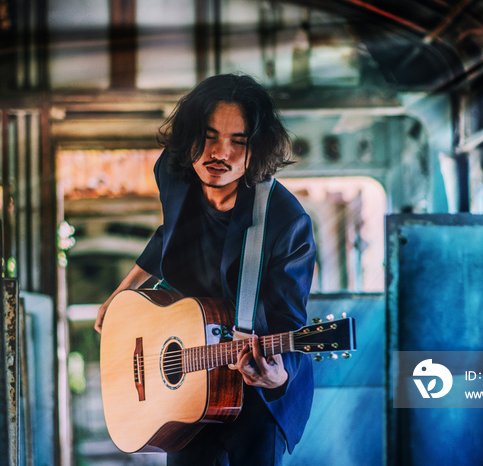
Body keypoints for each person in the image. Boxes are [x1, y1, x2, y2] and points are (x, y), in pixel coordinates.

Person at [94, 73, 317, 465]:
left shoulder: (286, 221)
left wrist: (278, 377)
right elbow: (170, 232)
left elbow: (288, 321)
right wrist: (123, 292)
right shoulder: (176, 173)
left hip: (253, 391)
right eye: (209, 136)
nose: (220, 153)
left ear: (256, 150)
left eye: (238, 141)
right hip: (186, 387)